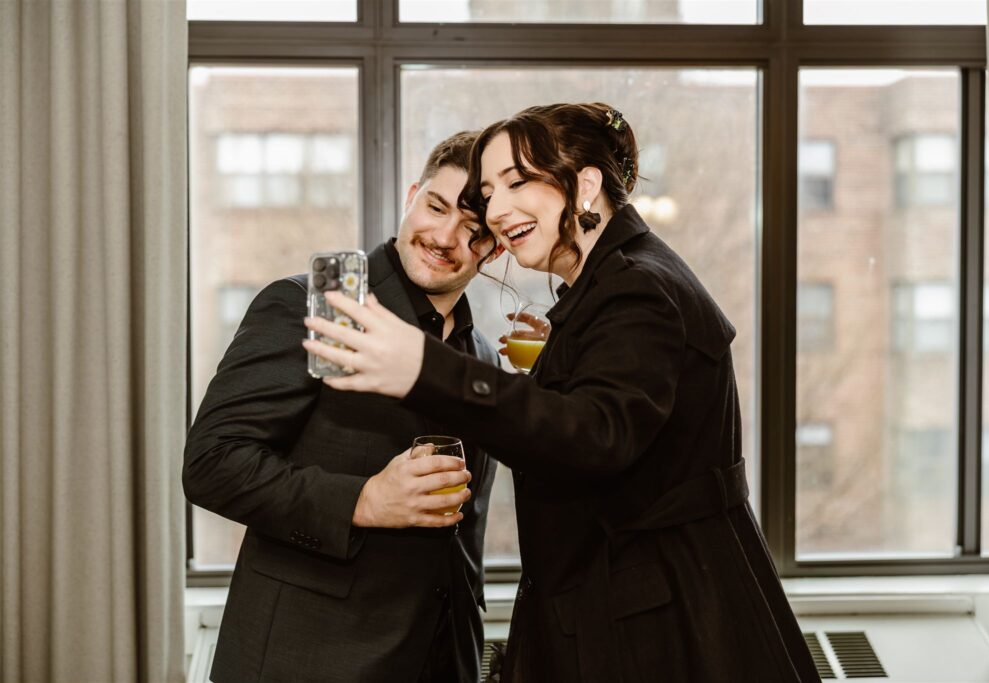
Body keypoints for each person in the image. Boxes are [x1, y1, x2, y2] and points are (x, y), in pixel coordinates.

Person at [304, 103, 821, 682]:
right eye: (488, 193)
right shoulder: (613, 283)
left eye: (516, 182)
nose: (495, 211)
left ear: (585, 186)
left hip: (658, 625)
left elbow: (596, 435)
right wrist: (555, 363)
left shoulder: (636, 287)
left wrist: (424, 366)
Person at [183, 130, 502, 683]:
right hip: (306, 661)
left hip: (443, 661)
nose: (445, 237)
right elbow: (212, 464)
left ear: (495, 247)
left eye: (474, 230)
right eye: (436, 207)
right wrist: (364, 500)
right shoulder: (313, 303)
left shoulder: (483, 356)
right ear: (411, 196)